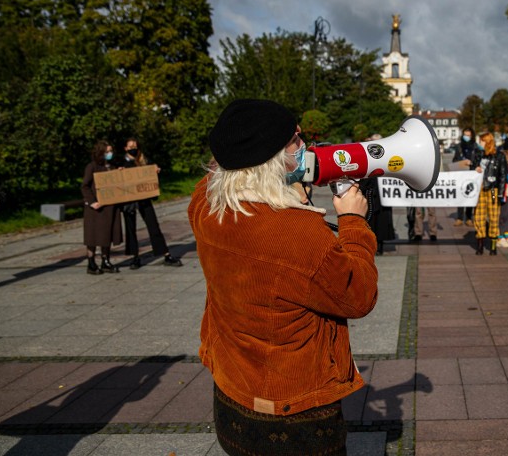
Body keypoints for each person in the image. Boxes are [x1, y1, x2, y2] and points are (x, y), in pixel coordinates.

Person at [189, 99, 379, 455]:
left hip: (233, 397)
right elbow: (359, 294)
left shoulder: (204, 202)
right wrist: (353, 221)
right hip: (296, 420)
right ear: (273, 157)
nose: (304, 143)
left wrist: (289, 193)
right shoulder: (296, 233)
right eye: (295, 139)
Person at [119, 138, 182, 269]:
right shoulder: (121, 162)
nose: (133, 148)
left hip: (144, 198)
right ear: (125, 148)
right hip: (129, 201)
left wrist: (155, 171)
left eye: (135, 146)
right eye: (130, 146)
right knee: (130, 229)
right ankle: (135, 257)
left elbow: (152, 173)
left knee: (153, 225)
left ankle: (165, 253)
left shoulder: (143, 160)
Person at [81, 141, 123, 275]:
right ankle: (91, 262)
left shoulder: (112, 166)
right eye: (107, 151)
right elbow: (85, 186)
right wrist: (92, 201)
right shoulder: (92, 167)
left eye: (111, 151)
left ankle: (105, 260)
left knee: (107, 234)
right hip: (96, 208)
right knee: (93, 235)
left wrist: (120, 174)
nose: (109, 154)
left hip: (110, 206)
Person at [472, 132, 507, 255]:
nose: (480, 143)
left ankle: (493, 245)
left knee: (493, 216)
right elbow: (471, 170)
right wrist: (474, 168)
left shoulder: (499, 156)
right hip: (480, 189)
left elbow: (503, 175)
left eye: (482, 141)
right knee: (479, 216)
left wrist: (500, 194)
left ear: (487, 141)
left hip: (493, 189)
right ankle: (480, 244)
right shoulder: (478, 154)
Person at [453, 127, 479, 227]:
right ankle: (459, 218)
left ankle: (468, 218)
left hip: (472, 174)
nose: (466, 137)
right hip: (461, 174)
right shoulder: (459, 146)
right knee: (460, 196)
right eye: (465, 135)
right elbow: (454, 160)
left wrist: (472, 163)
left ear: (472, 136)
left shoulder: (475, 147)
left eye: (468, 135)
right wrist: (461, 163)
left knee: (470, 195)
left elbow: (478, 160)